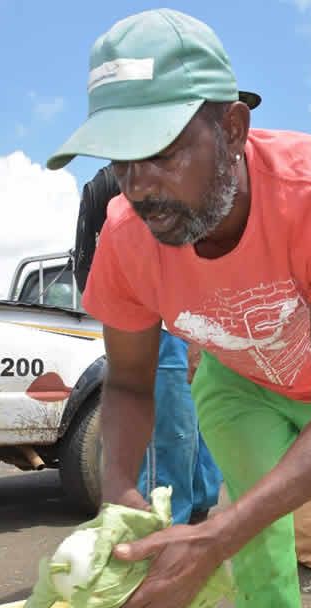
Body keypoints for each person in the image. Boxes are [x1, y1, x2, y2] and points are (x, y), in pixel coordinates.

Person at [46, 8, 311, 608]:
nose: (139, 186)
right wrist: (119, 496)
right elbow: (132, 385)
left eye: (163, 152)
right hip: (236, 383)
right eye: (122, 159)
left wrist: (211, 536)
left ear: (231, 127)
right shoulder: (124, 237)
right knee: (257, 548)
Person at [73, 164, 223, 526]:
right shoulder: (111, 186)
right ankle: (163, 528)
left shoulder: (166, 172)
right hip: (153, 322)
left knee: (197, 425)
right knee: (169, 432)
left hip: (189, 318)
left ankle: (192, 516)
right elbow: (90, 263)